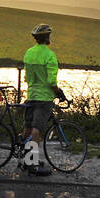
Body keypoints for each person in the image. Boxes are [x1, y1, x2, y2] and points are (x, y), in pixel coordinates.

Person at [21, 23, 66, 176]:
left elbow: (27, 77)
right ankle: (32, 165)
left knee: (27, 127)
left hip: (31, 95)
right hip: (44, 98)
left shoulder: (28, 53)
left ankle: (26, 160)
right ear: (47, 37)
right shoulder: (49, 55)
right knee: (36, 129)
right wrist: (59, 92)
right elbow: (51, 81)